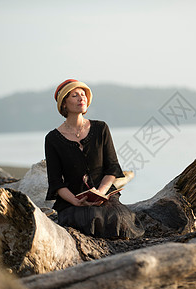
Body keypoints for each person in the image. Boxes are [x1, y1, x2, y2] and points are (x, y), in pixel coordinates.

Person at [44, 79, 144, 239]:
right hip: (72, 201)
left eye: (83, 95)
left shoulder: (101, 128)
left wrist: (100, 193)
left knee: (119, 219)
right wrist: (76, 201)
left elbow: (112, 167)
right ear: (64, 104)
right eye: (74, 95)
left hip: (104, 196)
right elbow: (56, 183)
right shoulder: (52, 139)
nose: (81, 98)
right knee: (87, 219)